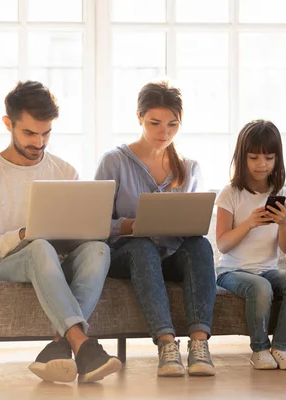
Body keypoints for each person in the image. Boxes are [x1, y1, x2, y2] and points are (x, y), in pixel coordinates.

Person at [0, 81, 122, 383]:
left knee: (98, 250)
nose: (39, 142)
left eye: (46, 132)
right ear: (8, 124)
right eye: (29, 133)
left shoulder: (65, 172)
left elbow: (79, 238)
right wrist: (23, 235)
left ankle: (59, 348)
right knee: (39, 245)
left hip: (51, 261)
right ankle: (83, 346)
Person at [94, 80, 216, 377]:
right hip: (129, 254)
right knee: (142, 245)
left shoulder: (189, 167)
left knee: (201, 245)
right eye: (155, 123)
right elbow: (94, 223)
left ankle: (199, 346)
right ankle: (166, 345)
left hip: (172, 253)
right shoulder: (114, 162)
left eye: (173, 124)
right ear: (139, 119)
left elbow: (196, 221)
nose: (164, 133)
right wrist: (128, 225)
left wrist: (188, 225)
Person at [215, 119, 286, 370]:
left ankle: (281, 348)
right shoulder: (230, 193)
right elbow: (222, 245)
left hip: (268, 269)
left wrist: (284, 224)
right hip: (231, 271)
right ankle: (259, 349)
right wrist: (249, 223)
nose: (262, 164)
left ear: (277, 159)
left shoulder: (283, 194)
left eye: (268, 157)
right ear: (242, 157)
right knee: (260, 287)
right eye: (254, 157)